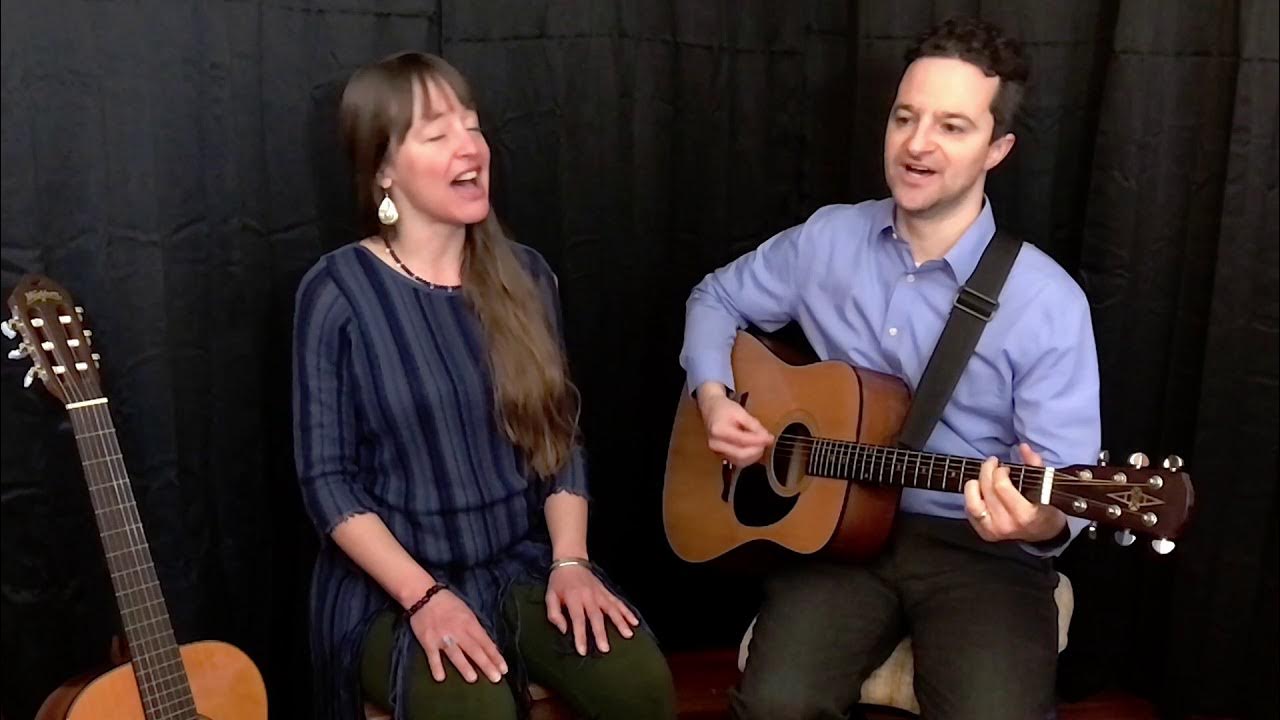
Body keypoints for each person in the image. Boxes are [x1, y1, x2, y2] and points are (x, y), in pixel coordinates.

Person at [680, 16, 1100, 720]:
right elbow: (715, 296)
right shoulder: (827, 239)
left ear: (998, 148)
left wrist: (1035, 522)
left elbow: (1063, 491)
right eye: (905, 117)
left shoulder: (1048, 301)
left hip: (979, 551)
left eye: (952, 126)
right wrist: (715, 396)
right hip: (839, 526)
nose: (917, 144)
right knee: (776, 706)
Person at [293, 51, 675, 720]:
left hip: (519, 564)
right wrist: (423, 597)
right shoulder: (335, 293)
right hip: (392, 587)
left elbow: (561, 444)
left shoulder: (527, 276)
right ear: (383, 169)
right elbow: (327, 482)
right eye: (437, 134)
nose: (470, 147)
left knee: (639, 684)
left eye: (472, 127)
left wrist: (571, 563)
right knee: (474, 710)